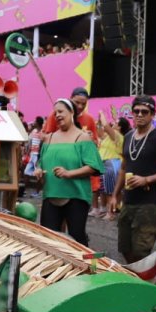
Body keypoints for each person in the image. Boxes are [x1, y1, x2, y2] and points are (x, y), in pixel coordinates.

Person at [34, 99, 103, 245]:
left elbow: (94, 166)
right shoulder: (48, 139)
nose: (57, 115)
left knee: (76, 240)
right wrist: (39, 171)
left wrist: (68, 174)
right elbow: (41, 164)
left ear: (71, 112)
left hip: (76, 196)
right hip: (51, 195)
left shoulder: (82, 137)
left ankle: (83, 267)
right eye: (55, 113)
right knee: (48, 240)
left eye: (61, 111)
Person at [115, 96, 156, 263]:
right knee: (124, 247)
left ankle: (145, 283)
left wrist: (146, 180)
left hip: (149, 203)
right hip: (128, 201)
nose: (140, 115)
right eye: (136, 111)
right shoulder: (128, 137)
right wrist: (114, 195)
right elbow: (123, 167)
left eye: (144, 112)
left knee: (141, 250)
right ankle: (137, 277)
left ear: (152, 115)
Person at [95, 112, 125, 220]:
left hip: (112, 164)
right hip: (107, 164)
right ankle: (111, 210)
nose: (113, 123)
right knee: (107, 190)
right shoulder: (109, 137)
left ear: (120, 127)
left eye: (116, 123)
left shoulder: (117, 135)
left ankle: (110, 213)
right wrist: (99, 122)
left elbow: (106, 126)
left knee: (109, 191)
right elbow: (99, 132)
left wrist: (102, 114)